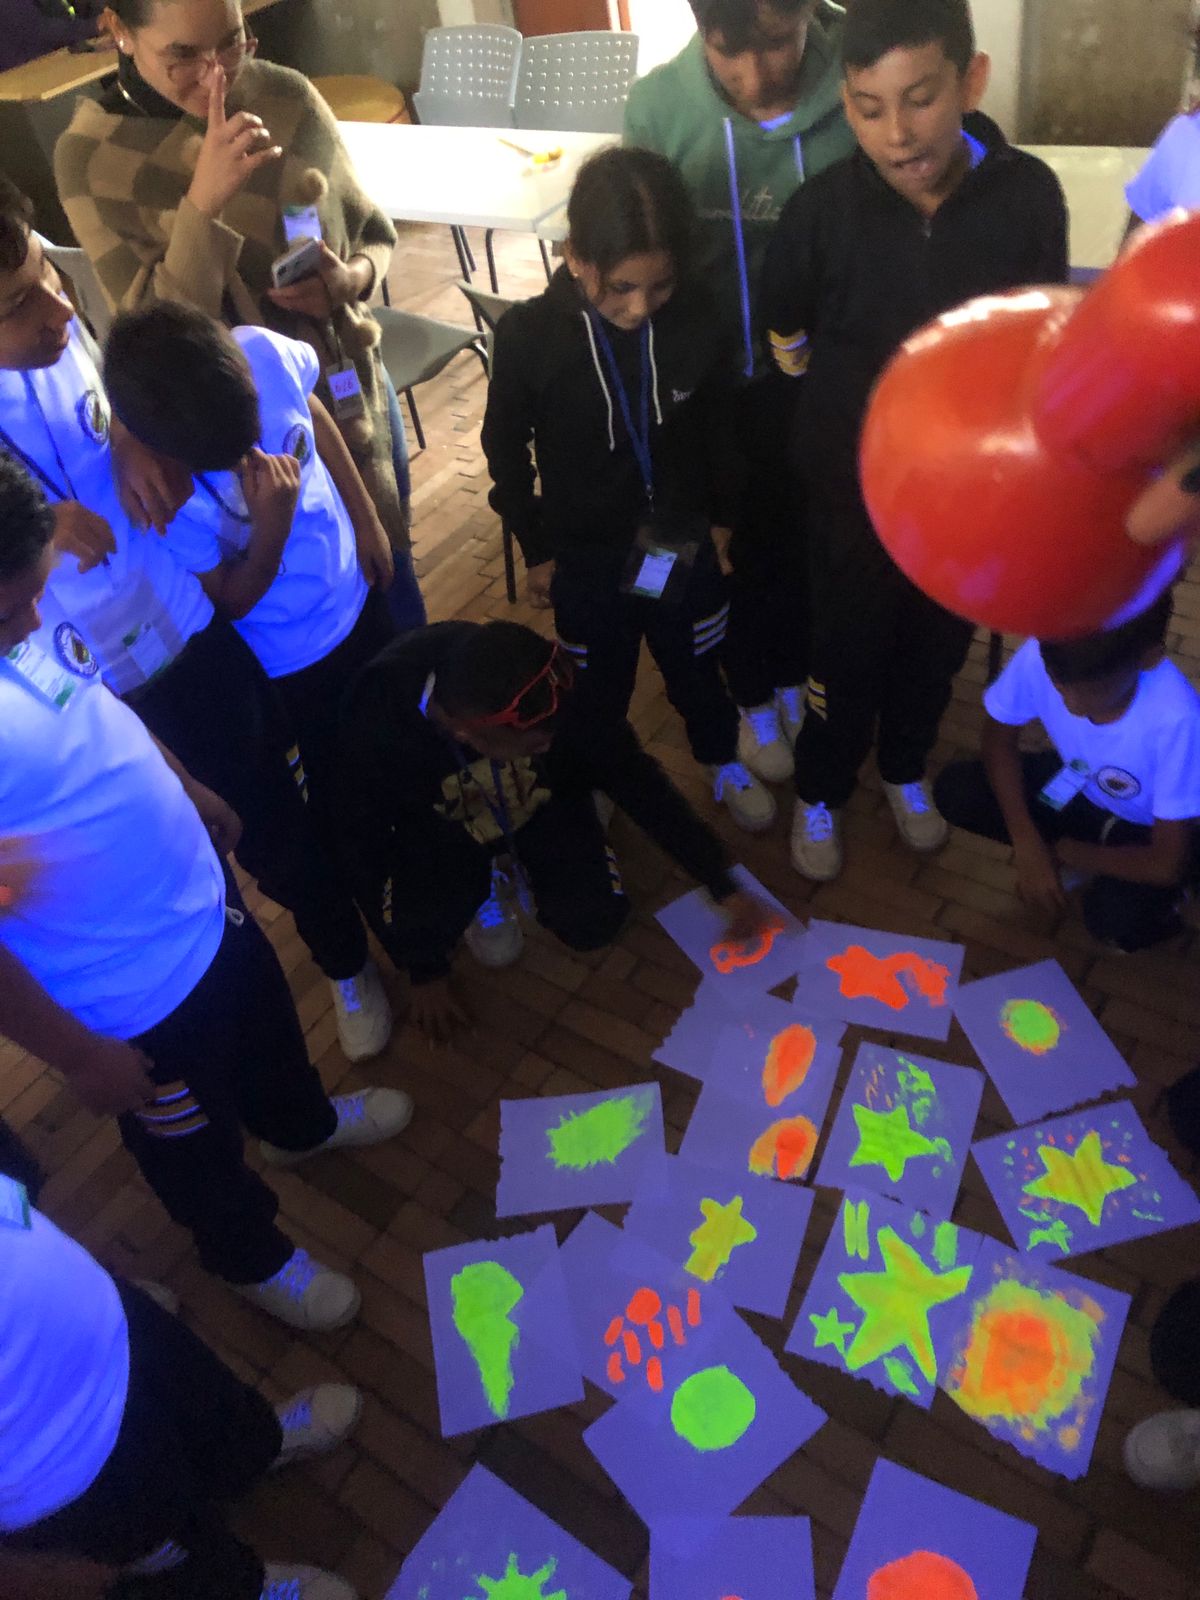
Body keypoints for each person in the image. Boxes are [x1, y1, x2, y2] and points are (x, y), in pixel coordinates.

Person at [0, 453, 411, 1332]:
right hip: (128, 1001)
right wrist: (78, 1055)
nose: (34, 618)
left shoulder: (24, 619)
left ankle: (299, 1126)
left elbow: (99, 704)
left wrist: (186, 787)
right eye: (8, 610)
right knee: (190, 1148)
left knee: (269, 1031)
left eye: (32, 594)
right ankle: (248, 1255)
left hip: (203, 905)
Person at [0, 176, 390, 1063]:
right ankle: (238, 991)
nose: (58, 306)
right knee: (203, 843)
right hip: (105, 687)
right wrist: (41, 526)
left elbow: (130, 379)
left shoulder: (68, 332)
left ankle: (346, 963)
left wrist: (134, 435)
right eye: (21, 304)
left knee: (274, 822)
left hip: (193, 632)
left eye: (46, 277)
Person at [761, 0, 1068, 881]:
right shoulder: (821, 212)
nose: (897, 135)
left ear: (971, 81)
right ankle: (822, 786)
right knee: (846, 644)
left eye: (921, 98)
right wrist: (843, 418)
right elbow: (789, 336)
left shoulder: (1028, 197)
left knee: (935, 645)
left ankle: (904, 768)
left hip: (966, 494)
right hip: (853, 485)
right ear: (846, 106)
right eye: (867, 108)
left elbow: (1034, 336)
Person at [53, 0, 425, 631]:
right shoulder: (89, 158)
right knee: (316, 614)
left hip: (347, 386)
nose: (217, 74)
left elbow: (374, 232)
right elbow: (155, 341)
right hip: (242, 434)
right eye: (183, 57)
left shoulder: (284, 96)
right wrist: (203, 200)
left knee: (393, 579)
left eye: (232, 43)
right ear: (118, 30)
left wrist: (349, 279)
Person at [481, 147, 773, 835]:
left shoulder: (696, 316)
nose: (640, 309)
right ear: (575, 255)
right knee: (596, 685)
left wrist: (724, 520)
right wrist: (537, 546)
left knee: (695, 664)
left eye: (659, 286)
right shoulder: (529, 336)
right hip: (584, 551)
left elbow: (720, 425)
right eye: (620, 288)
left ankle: (720, 759)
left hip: (673, 536)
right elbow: (504, 448)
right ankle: (602, 768)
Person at [338, 619, 777, 1042]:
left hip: (540, 803)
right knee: (434, 905)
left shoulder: (554, 690)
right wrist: (423, 969)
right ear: (465, 733)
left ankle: (571, 819)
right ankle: (484, 881)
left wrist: (720, 880)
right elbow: (368, 842)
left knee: (593, 922)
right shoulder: (380, 715)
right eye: (534, 745)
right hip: (439, 830)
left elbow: (639, 782)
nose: (549, 744)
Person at [101, 300, 399, 919]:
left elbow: (312, 409)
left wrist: (367, 516)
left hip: (355, 594)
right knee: (348, 788)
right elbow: (230, 601)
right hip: (292, 659)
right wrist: (272, 526)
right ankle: (388, 906)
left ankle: (444, 860)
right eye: (224, 462)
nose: (248, 464)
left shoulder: (263, 351)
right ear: (164, 451)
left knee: (400, 732)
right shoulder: (164, 499)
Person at [625, 0, 856, 785]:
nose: (756, 78)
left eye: (780, 45)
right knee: (735, 552)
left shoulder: (862, 86)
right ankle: (755, 692)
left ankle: (797, 678)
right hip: (713, 390)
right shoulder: (657, 108)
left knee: (810, 545)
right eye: (730, 54)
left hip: (827, 385)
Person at [0, 1190, 360, 1600]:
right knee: (167, 1548)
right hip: (56, 1460)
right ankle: (244, 1588)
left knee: (218, 1410)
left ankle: (255, 1453)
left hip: (103, 1310)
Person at [934, 593, 1200, 950]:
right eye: (1058, 682)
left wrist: (1069, 854)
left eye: (1093, 690)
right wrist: (1027, 843)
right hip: (1080, 781)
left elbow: (1165, 861)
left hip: (1150, 830)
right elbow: (998, 742)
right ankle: (1095, 862)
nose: (1069, 700)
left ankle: (1178, 902)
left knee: (1113, 920)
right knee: (957, 790)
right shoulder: (1044, 653)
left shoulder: (1178, 719)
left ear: (1146, 659)